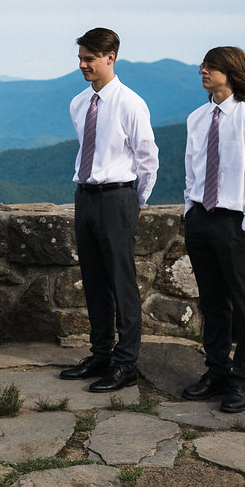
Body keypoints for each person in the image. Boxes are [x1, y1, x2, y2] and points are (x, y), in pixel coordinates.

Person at [60, 28, 159, 392]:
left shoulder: (130, 103)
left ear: (111, 57)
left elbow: (148, 158)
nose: (83, 65)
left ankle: (126, 363)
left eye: (90, 59)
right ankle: (100, 353)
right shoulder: (78, 103)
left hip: (118, 196)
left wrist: (138, 201)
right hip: (84, 195)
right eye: (81, 58)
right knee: (94, 280)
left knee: (121, 282)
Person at [181, 47, 245, 413]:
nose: (203, 70)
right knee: (212, 302)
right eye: (203, 65)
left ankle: (242, 382)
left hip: (234, 223)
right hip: (201, 218)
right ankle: (217, 371)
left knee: (243, 305)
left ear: (231, 72)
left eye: (211, 66)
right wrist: (190, 210)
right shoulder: (197, 118)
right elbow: (192, 167)